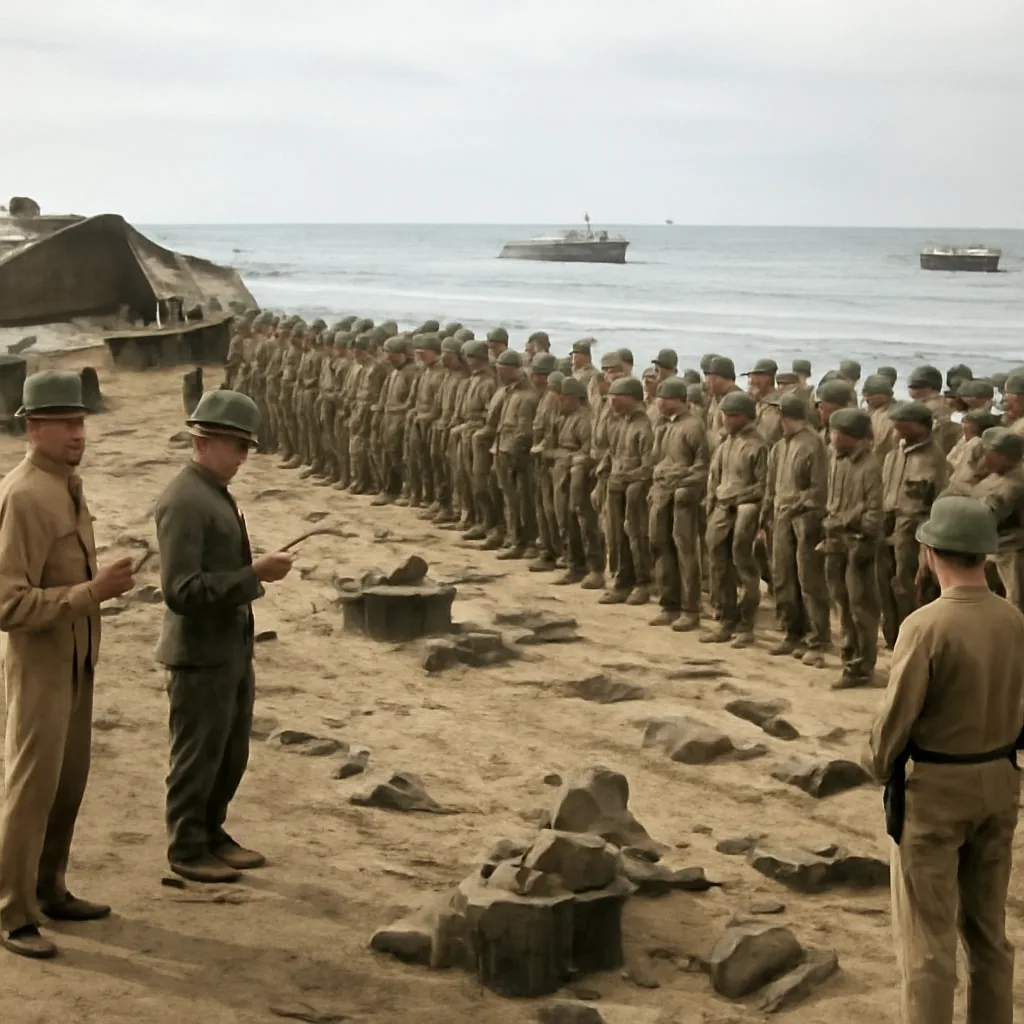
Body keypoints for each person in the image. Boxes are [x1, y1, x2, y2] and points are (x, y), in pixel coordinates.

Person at [868, 495, 1024, 1024]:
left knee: (928, 946)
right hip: (999, 783)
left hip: (935, 792)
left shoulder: (925, 625)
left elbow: (895, 723)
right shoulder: (1013, 620)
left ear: (930, 552)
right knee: (989, 937)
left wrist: (879, 764)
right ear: (984, 554)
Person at [0, 371, 135, 959]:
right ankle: (12, 911)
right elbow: (8, 605)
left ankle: (49, 889)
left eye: (80, 422)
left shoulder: (66, 485)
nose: (78, 433)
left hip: (78, 658)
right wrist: (93, 592)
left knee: (68, 781)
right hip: (40, 665)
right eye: (64, 424)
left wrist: (93, 593)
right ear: (33, 428)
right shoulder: (24, 495)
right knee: (31, 788)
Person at [154, 390, 295, 884]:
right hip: (199, 655)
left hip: (228, 649)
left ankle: (211, 832)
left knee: (229, 753)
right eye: (237, 446)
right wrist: (254, 573)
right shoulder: (184, 500)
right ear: (205, 441)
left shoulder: (213, 492)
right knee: (197, 756)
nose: (242, 457)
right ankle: (187, 846)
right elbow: (180, 590)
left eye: (246, 447)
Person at [822, 407, 883, 688]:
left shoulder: (870, 467)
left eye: (837, 433)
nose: (832, 437)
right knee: (842, 605)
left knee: (861, 608)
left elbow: (873, 515)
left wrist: (849, 522)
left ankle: (862, 666)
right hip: (836, 542)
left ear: (853, 436)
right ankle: (849, 658)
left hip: (859, 545)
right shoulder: (837, 460)